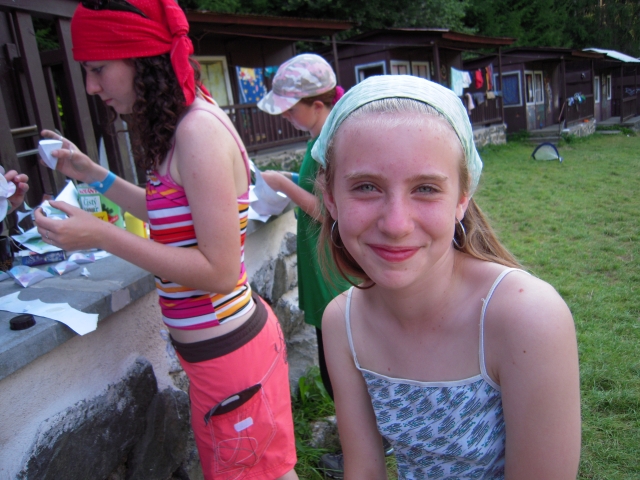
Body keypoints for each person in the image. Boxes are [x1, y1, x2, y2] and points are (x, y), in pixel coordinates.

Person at [33, 1, 297, 479]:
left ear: (142, 58)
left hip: (230, 357)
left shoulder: (197, 131)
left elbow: (219, 271)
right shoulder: (183, 121)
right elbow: (169, 213)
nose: (91, 86)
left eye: (98, 69)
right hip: (219, 356)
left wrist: (102, 234)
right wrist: (93, 175)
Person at [313, 75, 581, 479]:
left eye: (425, 188)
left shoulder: (527, 318)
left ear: (462, 198)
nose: (396, 224)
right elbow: (364, 469)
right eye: (367, 187)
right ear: (331, 198)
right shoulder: (343, 323)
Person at [257, 54, 366, 476]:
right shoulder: (321, 136)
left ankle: (362, 454)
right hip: (325, 269)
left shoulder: (335, 143)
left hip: (336, 273)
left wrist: (283, 185)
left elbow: (328, 211)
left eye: (290, 109)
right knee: (335, 368)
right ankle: (364, 446)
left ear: (317, 105)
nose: (285, 116)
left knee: (343, 373)